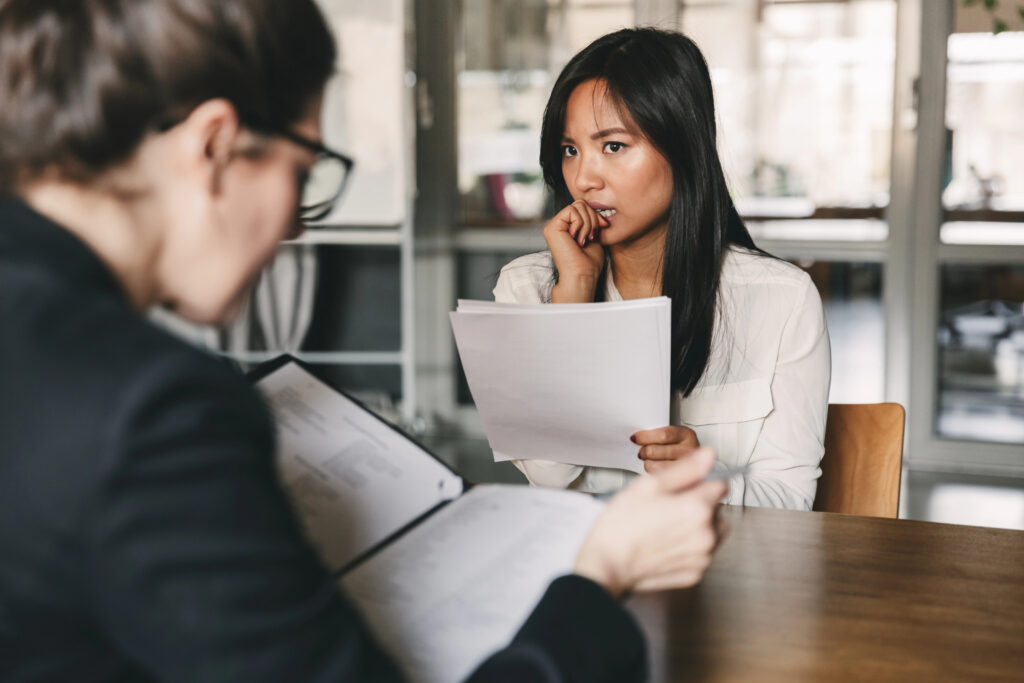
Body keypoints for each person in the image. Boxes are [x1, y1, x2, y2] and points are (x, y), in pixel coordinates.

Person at [0, 3, 727, 682]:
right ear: (215, 146)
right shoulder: (154, 410)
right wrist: (598, 579)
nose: (295, 227)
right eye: (303, 173)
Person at [494, 28, 831, 510]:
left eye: (612, 146)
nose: (584, 180)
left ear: (683, 146)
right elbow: (550, 476)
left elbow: (790, 499)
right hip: (589, 571)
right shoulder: (526, 287)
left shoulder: (782, 299)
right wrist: (574, 295)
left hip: (726, 574)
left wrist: (707, 478)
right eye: (570, 150)